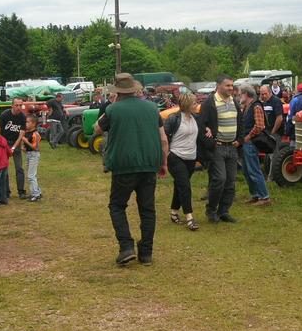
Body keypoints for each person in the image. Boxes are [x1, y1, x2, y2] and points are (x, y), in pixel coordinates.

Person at [94, 73, 169, 266]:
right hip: (149, 164)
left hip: (124, 166)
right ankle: (146, 253)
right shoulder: (153, 108)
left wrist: (109, 109)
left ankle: (126, 247)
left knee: (117, 206)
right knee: (147, 209)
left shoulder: (113, 109)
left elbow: (96, 130)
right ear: (135, 89)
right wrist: (164, 163)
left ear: (117, 91)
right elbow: (163, 139)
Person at [200, 75, 243, 223]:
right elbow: (201, 125)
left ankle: (224, 211)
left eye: (232, 85)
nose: (231, 88)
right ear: (218, 86)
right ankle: (211, 210)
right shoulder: (209, 103)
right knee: (219, 179)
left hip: (232, 147)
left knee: (230, 182)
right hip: (217, 148)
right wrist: (211, 143)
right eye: (228, 85)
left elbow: (240, 122)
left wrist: (240, 140)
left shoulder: (235, 102)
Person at [164, 93, 201, 231]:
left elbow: (202, 132)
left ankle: (174, 212)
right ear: (186, 105)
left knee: (179, 185)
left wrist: (208, 130)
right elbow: (164, 136)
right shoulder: (174, 119)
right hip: (175, 156)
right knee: (185, 186)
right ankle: (190, 218)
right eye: (193, 103)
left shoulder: (196, 118)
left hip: (191, 157)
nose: (196, 105)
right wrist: (166, 154)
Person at [240, 86, 271, 206]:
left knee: (254, 169)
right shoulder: (248, 107)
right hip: (247, 143)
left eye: (241, 94)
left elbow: (260, 126)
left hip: (251, 143)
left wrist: (248, 137)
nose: (239, 96)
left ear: (246, 94)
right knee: (247, 171)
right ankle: (256, 195)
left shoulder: (256, 106)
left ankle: (264, 197)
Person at [0, 98, 27, 199]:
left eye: (20, 105)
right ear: (12, 105)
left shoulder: (23, 117)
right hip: (4, 143)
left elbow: (21, 134)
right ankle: (6, 192)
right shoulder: (4, 115)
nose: (19, 107)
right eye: (17, 105)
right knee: (4, 168)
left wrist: (14, 147)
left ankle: (21, 191)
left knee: (19, 168)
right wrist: (4, 145)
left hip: (16, 143)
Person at [259, 85, 284, 180]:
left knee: (274, 155)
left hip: (275, 132)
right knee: (268, 154)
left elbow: (279, 118)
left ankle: (272, 177)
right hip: (266, 132)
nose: (263, 96)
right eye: (261, 94)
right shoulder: (263, 102)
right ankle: (265, 173)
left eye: (265, 94)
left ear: (270, 92)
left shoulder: (276, 101)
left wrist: (273, 132)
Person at [22, 114, 43, 202]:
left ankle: (36, 195)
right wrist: (23, 148)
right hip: (29, 154)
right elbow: (27, 147)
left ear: (33, 124)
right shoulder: (27, 133)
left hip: (34, 155)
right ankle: (37, 191)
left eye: (28, 122)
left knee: (31, 175)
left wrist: (26, 141)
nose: (26, 124)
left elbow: (36, 148)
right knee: (31, 175)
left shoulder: (35, 134)